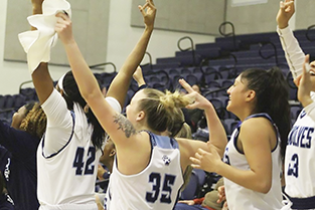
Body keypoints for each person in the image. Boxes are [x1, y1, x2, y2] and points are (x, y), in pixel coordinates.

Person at [55, 1, 228, 209]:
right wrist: (208, 108)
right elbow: (218, 149)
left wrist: (69, 42)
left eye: (132, 103)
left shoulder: (131, 141)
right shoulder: (181, 147)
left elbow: (92, 94)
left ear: (140, 116)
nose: (126, 106)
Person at [26, 0, 161, 209]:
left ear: (62, 93)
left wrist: (37, 9)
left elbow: (37, 69)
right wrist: (148, 29)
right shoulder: (102, 119)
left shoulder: (62, 120)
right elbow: (126, 72)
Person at [189, 66, 291, 210]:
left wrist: (217, 166)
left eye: (235, 85)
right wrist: (234, 187)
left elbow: (262, 182)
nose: (229, 90)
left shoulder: (254, 125)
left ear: (250, 95)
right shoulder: (253, 124)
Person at [277, 1, 315, 209]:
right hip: (292, 201)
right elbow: (295, 55)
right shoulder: (309, 102)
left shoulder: (309, 104)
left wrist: (307, 100)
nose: (310, 68)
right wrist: (283, 24)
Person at [0, 102, 46, 210]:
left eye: (18, 112)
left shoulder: (29, 144)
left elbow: (2, 131)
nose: (14, 115)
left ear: (26, 119)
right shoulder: (11, 153)